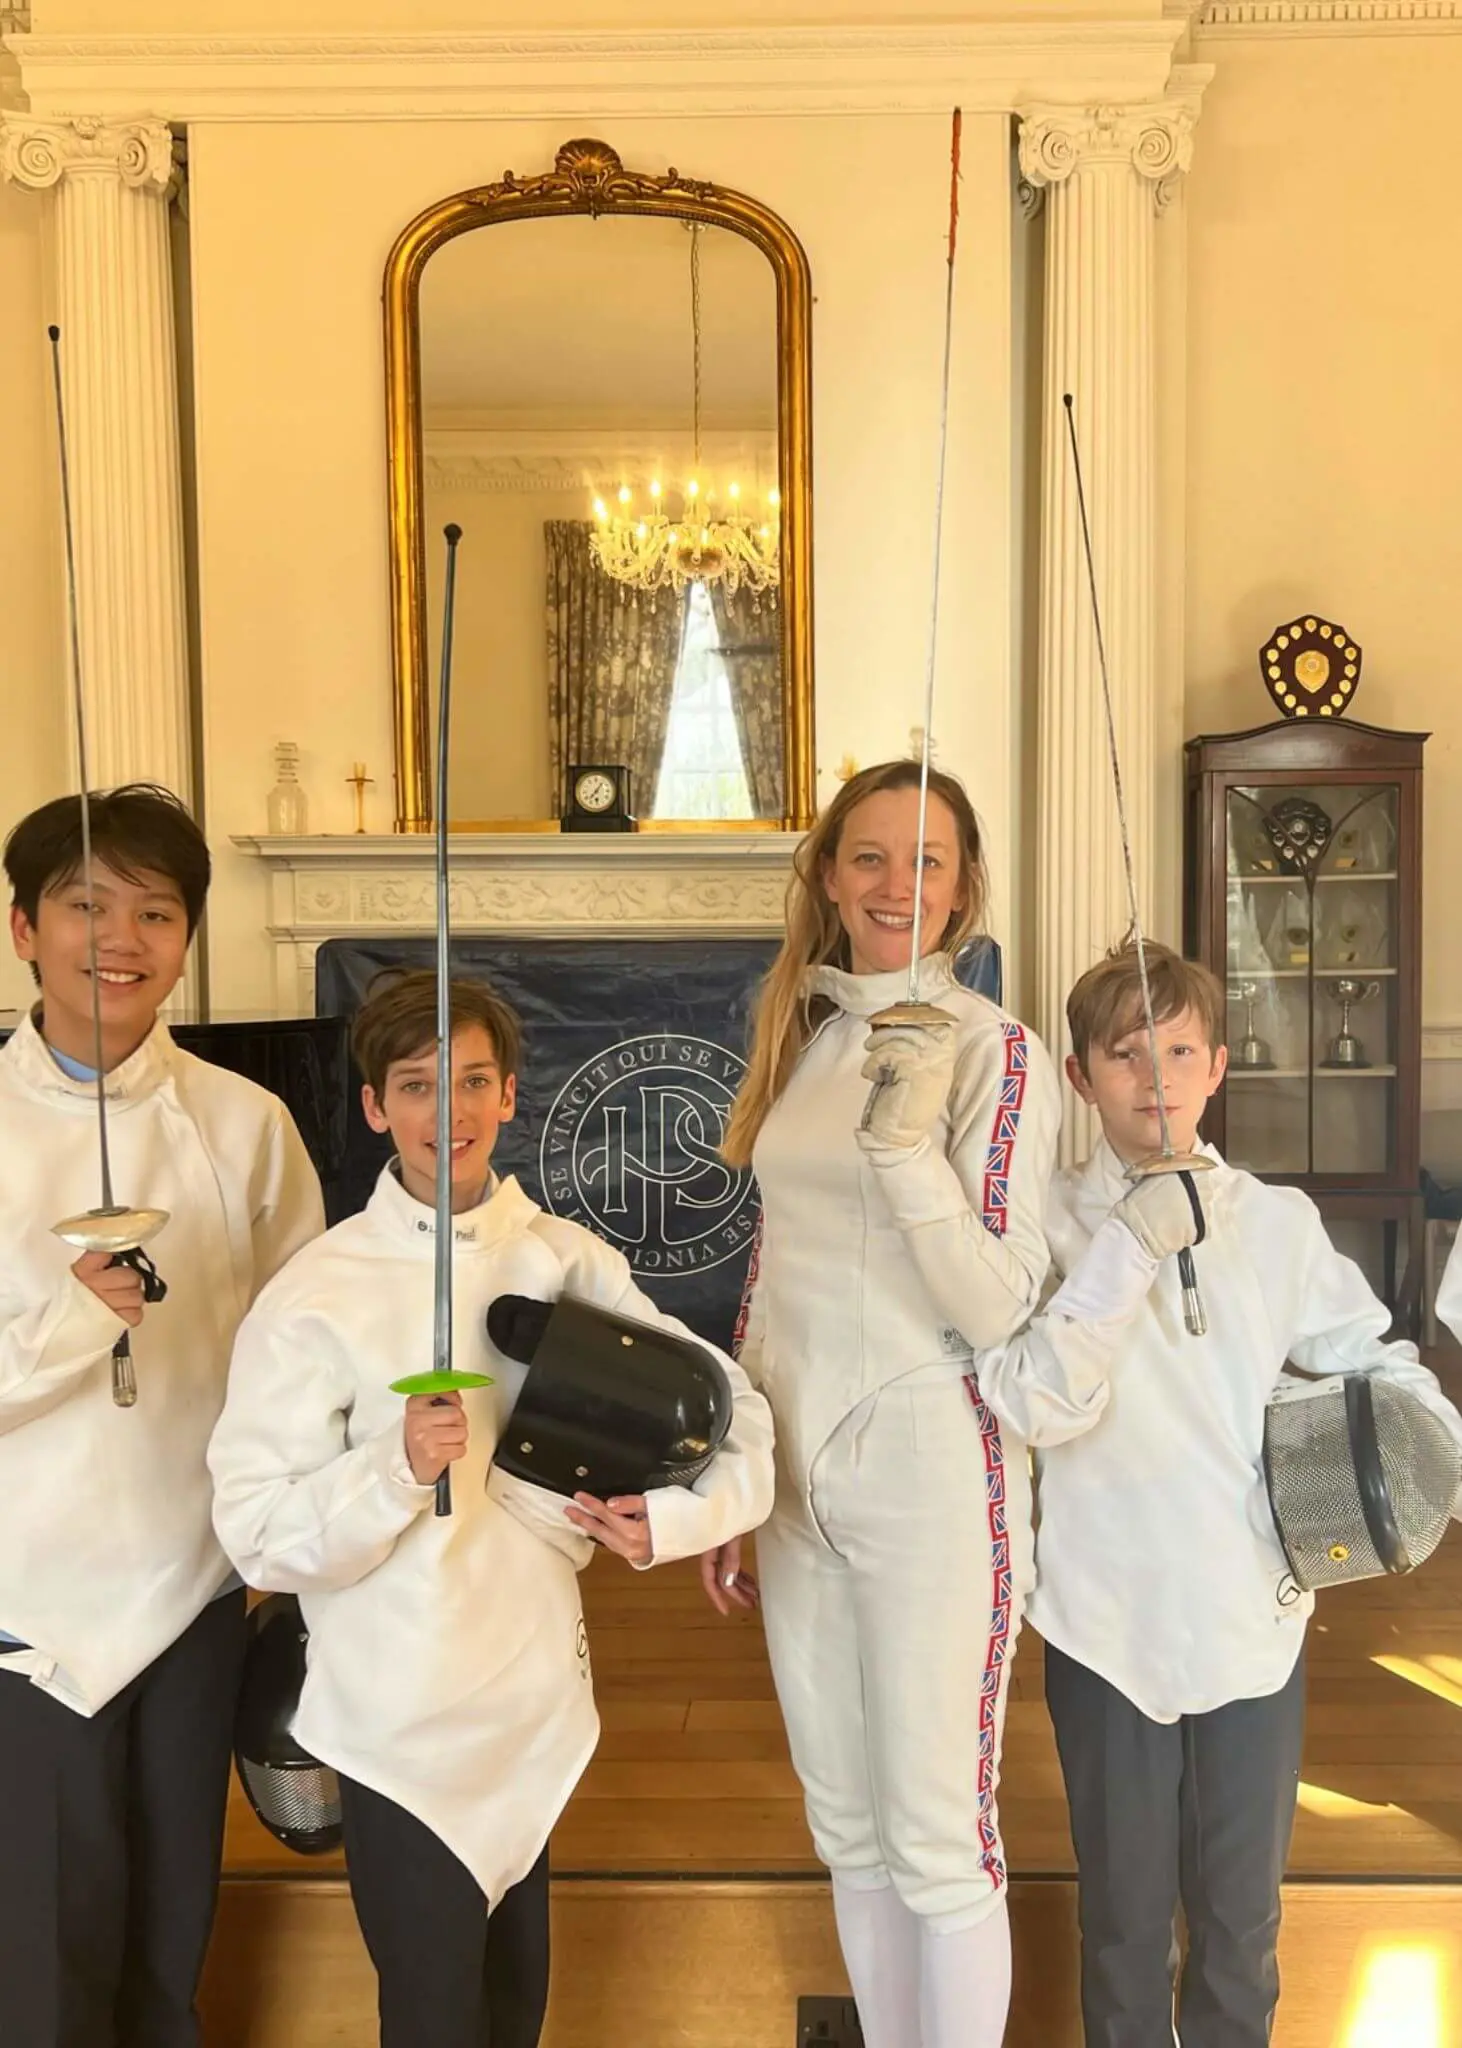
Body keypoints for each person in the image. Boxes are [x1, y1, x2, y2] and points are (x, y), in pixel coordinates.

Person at [208, 969, 775, 2048]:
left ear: (511, 1094)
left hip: (530, 1706)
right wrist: (389, 1464)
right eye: (418, 1084)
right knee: (432, 2019)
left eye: (472, 1080)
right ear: (375, 1106)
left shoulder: (566, 1261)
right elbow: (256, 1530)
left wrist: (673, 1522)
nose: (450, 1112)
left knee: (515, 2012)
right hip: (395, 1721)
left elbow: (726, 1407)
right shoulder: (314, 1291)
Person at [977, 940, 1462, 2048]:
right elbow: (1032, 1402)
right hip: (1101, 1622)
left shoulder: (1276, 1222)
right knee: (1122, 1923)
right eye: (1125, 1054)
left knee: (1242, 1921)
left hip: (1255, 1618)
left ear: (1218, 1066)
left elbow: (1379, 1361)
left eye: (1179, 1051)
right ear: (1076, 1073)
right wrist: (1125, 1248)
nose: (1154, 1079)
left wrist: (1435, 1452)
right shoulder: (1039, 1224)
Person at [705, 760, 1062, 2048]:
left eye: (926, 858)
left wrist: (909, 1157)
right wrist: (735, 1478)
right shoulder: (804, 1035)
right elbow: (774, 1266)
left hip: (929, 1461)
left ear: (964, 884)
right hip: (799, 1464)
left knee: (934, 1830)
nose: (894, 882)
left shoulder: (994, 1049)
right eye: (867, 854)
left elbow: (1005, 1304)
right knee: (845, 1821)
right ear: (828, 872)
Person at [0, 782, 325, 2047]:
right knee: (44, 1947)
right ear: (26, 926)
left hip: (197, 1589)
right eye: (87, 905)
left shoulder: (245, 1124)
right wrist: (72, 1324)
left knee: (170, 1930)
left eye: (155, 909)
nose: (120, 938)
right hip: (31, 1603)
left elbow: (304, 1354)